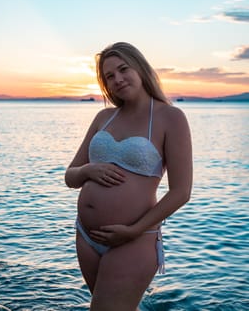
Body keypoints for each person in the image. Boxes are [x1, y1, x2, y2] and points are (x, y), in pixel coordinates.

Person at [65, 42, 193, 311]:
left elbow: (181, 192)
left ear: (141, 69)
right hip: (87, 236)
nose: (118, 79)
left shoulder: (170, 117)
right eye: (109, 76)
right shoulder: (104, 117)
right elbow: (70, 176)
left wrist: (133, 230)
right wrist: (88, 170)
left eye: (123, 69)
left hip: (135, 237)